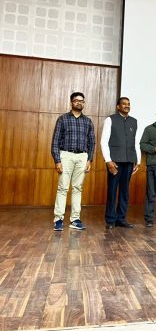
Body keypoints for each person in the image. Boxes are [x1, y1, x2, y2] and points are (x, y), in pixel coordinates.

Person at [51, 92, 95, 231]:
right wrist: (57, 160)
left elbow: (92, 142)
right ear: (71, 103)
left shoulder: (88, 121)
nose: (79, 103)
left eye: (82, 101)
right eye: (76, 101)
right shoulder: (62, 119)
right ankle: (58, 219)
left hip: (82, 157)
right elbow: (55, 142)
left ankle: (75, 219)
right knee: (63, 188)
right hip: (66, 156)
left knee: (77, 188)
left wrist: (89, 159)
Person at [100, 97, 140, 229]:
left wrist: (138, 161)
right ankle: (110, 220)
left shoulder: (134, 121)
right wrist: (108, 161)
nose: (127, 106)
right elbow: (104, 141)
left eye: (128, 104)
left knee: (124, 191)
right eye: (124, 104)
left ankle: (121, 219)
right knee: (112, 190)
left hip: (129, 161)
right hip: (115, 162)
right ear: (118, 106)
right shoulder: (110, 119)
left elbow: (135, 142)